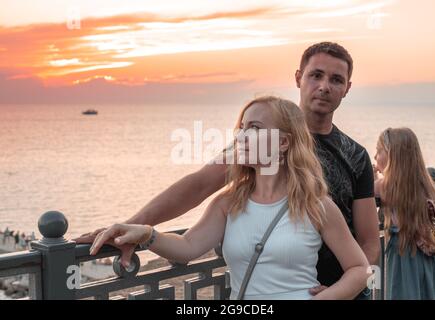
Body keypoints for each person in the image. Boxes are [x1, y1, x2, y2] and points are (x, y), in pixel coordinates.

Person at [76, 42, 380, 299]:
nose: (325, 86)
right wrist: (135, 227)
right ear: (299, 78)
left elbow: (368, 244)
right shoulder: (252, 148)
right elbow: (197, 188)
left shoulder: (354, 157)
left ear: (347, 88)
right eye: (316, 75)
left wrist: (339, 293)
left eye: (336, 80)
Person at [373, 127, 435, 299]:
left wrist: (371, 175)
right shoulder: (427, 187)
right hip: (430, 260)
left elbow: (365, 192)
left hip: (405, 257)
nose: (375, 157)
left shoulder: (387, 186)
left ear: (393, 156)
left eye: (379, 151)